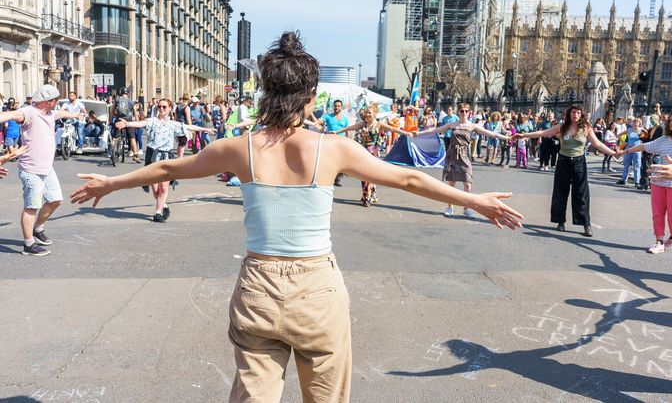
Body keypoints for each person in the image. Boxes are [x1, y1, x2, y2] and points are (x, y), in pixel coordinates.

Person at [71, 32, 523, 402]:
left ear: (266, 93)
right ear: (311, 96)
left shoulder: (240, 148)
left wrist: (109, 184)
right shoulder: (333, 148)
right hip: (315, 288)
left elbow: (169, 168)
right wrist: (474, 200)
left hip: (258, 285)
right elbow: (407, 180)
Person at [0, 85, 80, 256]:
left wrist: (75, 114)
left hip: (47, 167)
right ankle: (28, 245)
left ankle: (38, 229)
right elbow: (10, 115)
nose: (58, 103)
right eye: (55, 100)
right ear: (46, 101)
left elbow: (63, 113)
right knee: (31, 207)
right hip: (31, 169)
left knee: (56, 200)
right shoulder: (29, 112)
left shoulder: (50, 114)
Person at [516, 104, 617, 237]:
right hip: (563, 162)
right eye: (573, 112)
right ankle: (560, 221)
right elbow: (544, 133)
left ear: (581, 115)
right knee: (560, 193)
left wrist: (613, 153)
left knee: (581, 194)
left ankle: (586, 224)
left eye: (578, 113)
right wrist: (523, 135)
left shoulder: (586, 128)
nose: (575, 115)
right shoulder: (561, 127)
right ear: (569, 113)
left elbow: (597, 144)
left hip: (579, 163)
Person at [115, 98, 215, 222]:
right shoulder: (152, 121)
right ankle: (164, 205)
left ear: (169, 109)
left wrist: (205, 129)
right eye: (159, 107)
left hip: (166, 157)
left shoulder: (173, 124)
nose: (161, 109)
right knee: (155, 189)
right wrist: (128, 124)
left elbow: (189, 126)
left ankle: (158, 212)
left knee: (163, 187)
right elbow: (141, 123)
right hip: (152, 156)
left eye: (164, 107)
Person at [418, 102, 511, 218]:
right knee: (451, 184)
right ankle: (450, 207)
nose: (464, 113)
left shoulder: (472, 126)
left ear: (469, 112)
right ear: (459, 112)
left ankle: (467, 208)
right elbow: (434, 131)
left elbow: (492, 134)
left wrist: (507, 137)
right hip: (452, 156)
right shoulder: (452, 125)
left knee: (467, 183)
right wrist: (417, 133)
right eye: (462, 111)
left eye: (466, 111)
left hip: (465, 156)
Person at [621, 112, 672, 254]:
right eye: (670, 120)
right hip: (658, 182)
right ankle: (659, 241)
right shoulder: (662, 140)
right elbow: (643, 146)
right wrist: (626, 151)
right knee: (657, 213)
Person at [335, 102, 414, 206]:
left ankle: (366, 197)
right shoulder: (363, 124)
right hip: (362, 154)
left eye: (369, 113)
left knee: (369, 175)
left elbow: (393, 129)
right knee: (363, 176)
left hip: (373, 154)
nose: (367, 115)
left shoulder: (379, 124)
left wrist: (405, 133)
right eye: (367, 113)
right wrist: (336, 132)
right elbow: (350, 128)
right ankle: (372, 195)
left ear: (375, 114)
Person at [110, 87, 140, 162]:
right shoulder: (131, 101)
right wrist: (137, 122)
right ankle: (135, 154)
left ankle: (112, 152)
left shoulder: (116, 100)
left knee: (114, 137)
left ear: (120, 93)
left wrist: (111, 120)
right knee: (132, 138)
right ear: (128, 93)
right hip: (128, 121)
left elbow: (112, 111)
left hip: (119, 119)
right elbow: (135, 113)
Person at [616, 118, 644, 188]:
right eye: (634, 122)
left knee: (637, 165)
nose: (635, 123)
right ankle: (623, 179)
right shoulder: (629, 130)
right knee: (626, 164)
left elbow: (645, 138)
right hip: (628, 148)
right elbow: (620, 135)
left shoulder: (641, 130)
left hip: (637, 148)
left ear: (639, 123)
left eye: (637, 122)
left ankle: (637, 181)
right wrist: (620, 142)